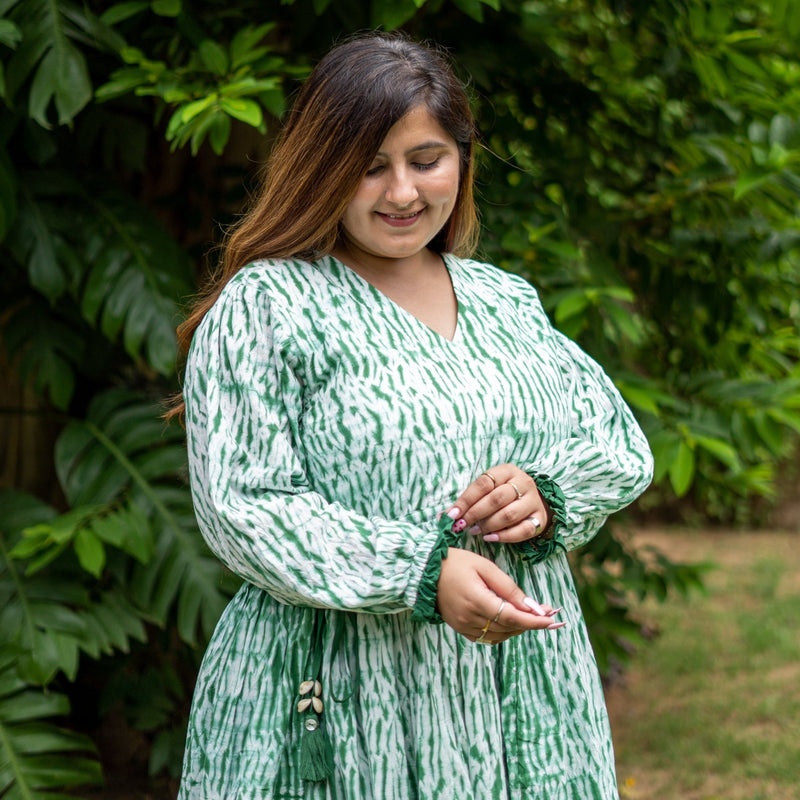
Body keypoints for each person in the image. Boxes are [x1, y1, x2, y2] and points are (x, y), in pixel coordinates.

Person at [173, 31, 653, 800]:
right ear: (321, 168)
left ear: (460, 158)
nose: (402, 193)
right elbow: (245, 506)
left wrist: (546, 494)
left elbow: (616, 443)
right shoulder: (269, 306)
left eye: (425, 160)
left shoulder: (503, 300)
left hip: (521, 685)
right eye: (369, 167)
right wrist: (422, 571)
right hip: (339, 691)